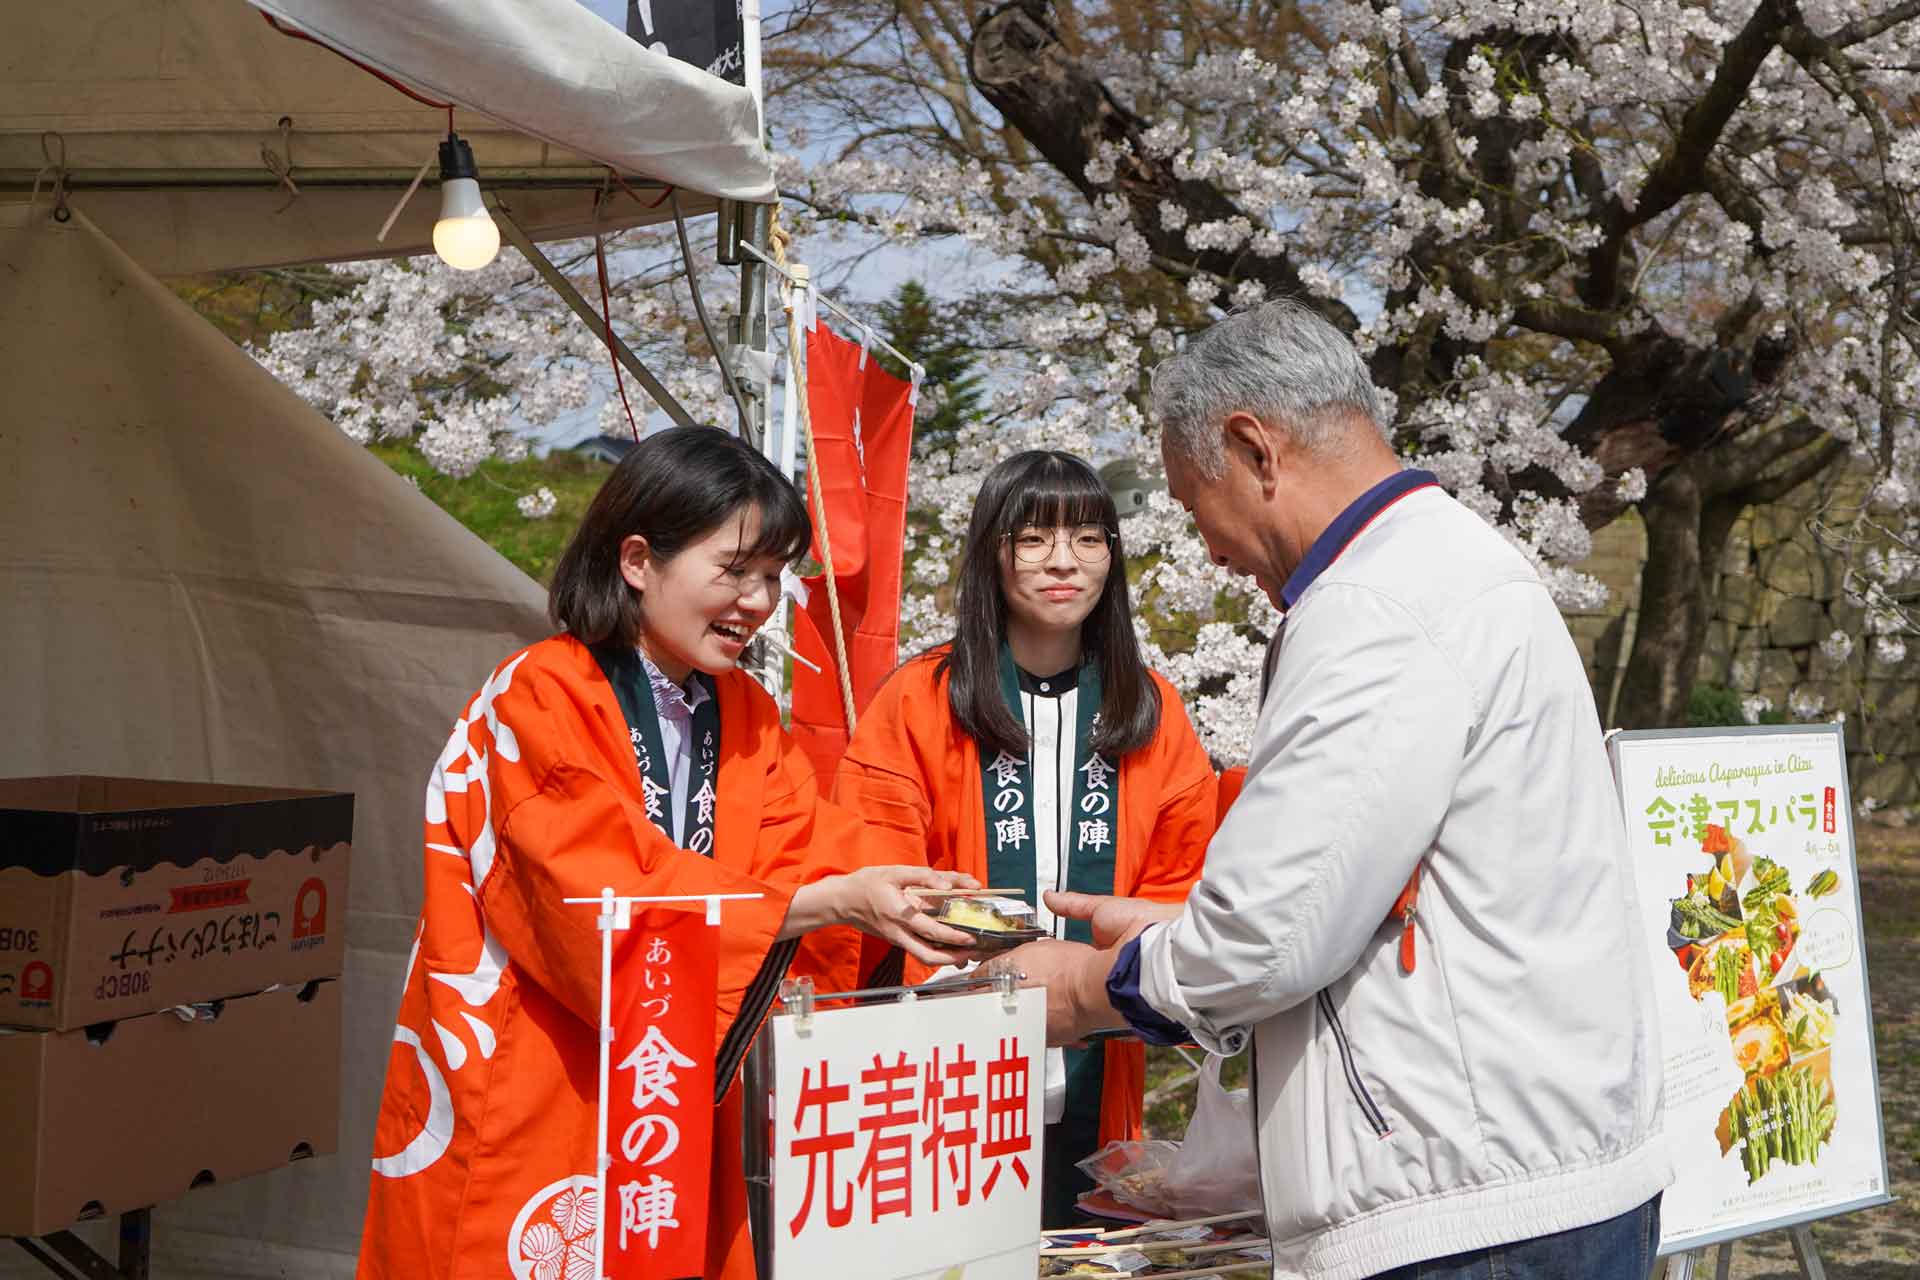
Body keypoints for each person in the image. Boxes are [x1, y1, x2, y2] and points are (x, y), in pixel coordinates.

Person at [1009, 301, 1671, 1280]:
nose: (1213, 553)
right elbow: (1371, 889)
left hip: (1469, 1212)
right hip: (1540, 1170)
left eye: (1201, 508)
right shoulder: (1457, 562)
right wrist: (1170, 927)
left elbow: (1271, 936)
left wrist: (1079, 987)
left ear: (1254, 447)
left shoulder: (1374, 604)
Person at [357, 427, 977, 1280]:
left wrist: (915, 907)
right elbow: (588, 890)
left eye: (771, 576)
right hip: (536, 1073)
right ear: (639, 559)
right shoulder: (544, 691)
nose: (758, 602)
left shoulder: (748, 712)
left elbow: (813, 856)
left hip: (671, 1078)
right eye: (735, 570)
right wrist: (828, 903)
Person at [833, 450, 1217, 1226]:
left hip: (1101, 1067)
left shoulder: (1151, 712)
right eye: (1034, 539)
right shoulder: (919, 699)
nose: (1063, 563)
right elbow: (871, 871)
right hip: (944, 1065)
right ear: (991, 552)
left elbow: (1187, 886)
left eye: (1088, 538)